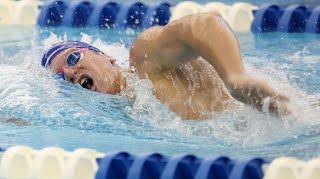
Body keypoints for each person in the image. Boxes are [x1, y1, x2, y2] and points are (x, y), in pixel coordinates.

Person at [41, 13, 290, 120]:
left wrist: (236, 78)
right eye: (62, 79)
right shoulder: (129, 110)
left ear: (106, 56)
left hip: (289, 112)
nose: (70, 73)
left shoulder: (144, 60)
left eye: (72, 59)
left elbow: (204, 24)